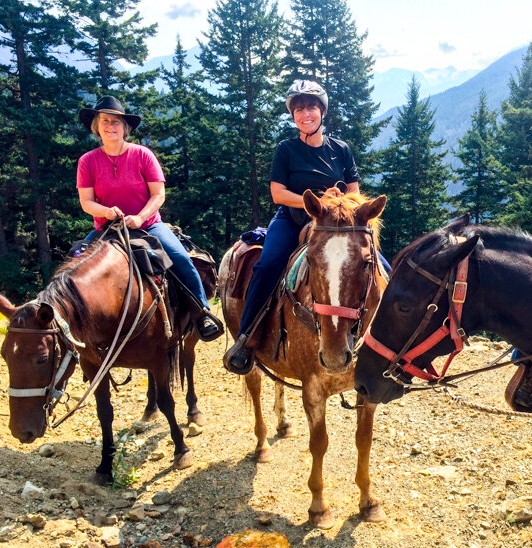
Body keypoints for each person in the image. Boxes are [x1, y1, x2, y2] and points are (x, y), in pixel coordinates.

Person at [224, 80, 388, 375]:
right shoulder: (286, 150)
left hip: (337, 225)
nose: (305, 113)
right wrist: (314, 202)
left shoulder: (341, 149)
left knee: (379, 267)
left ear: (322, 112)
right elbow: (278, 194)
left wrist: (341, 202)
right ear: (293, 115)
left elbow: (355, 193)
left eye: (311, 107)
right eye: (299, 109)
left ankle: (387, 339)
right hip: (293, 220)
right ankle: (246, 338)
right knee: (268, 265)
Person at [76, 95, 223, 342]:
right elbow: (86, 202)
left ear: (125, 127)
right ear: (96, 126)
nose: (110, 126)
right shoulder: (87, 161)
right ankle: (72, 329)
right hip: (107, 228)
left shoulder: (142, 155)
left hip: (148, 225)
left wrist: (140, 217)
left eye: (116, 122)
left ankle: (202, 313)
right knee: (75, 260)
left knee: (179, 258)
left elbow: (158, 194)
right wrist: (106, 211)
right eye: (105, 121)